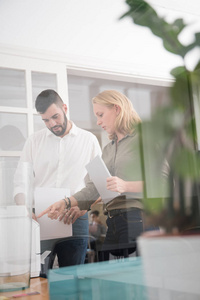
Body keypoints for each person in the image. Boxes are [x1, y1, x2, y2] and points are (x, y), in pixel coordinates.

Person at [38, 90, 144, 260]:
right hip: (114, 223)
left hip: (138, 220)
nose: (98, 121)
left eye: (101, 115)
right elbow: (93, 188)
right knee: (112, 281)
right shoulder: (109, 149)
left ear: (117, 109)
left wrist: (125, 185)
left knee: (138, 282)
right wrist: (65, 203)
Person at [14, 89, 102, 267]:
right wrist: (25, 209)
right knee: (38, 275)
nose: (52, 124)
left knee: (72, 277)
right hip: (40, 219)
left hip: (76, 218)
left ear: (65, 108)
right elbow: (20, 183)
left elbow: (100, 184)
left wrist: (84, 209)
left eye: (55, 116)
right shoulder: (34, 141)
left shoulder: (89, 140)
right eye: (45, 120)